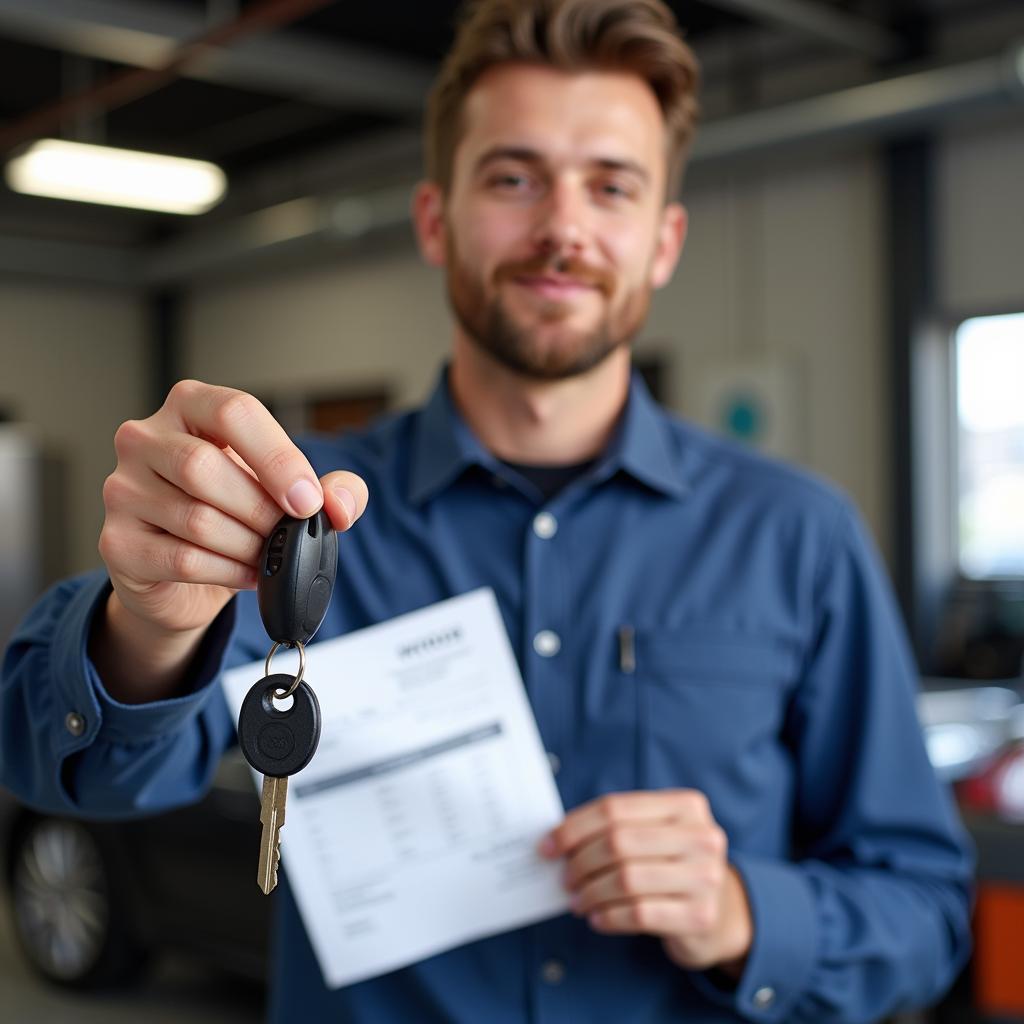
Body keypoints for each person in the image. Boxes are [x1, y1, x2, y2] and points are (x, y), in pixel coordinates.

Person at [1, 0, 973, 1020]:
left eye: (611, 185)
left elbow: (924, 913)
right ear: (436, 218)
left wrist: (742, 913)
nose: (562, 227)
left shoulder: (798, 536)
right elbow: (69, 768)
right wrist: (147, 626)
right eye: (513, 177)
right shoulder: (297, 517)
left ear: (663, 240)